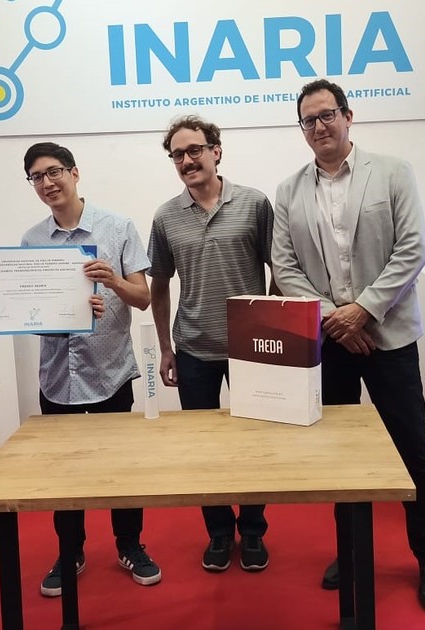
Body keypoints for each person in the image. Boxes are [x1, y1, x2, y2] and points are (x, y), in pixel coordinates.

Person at [271, 79, 425, 611]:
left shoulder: (392, 172)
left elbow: (412, 250)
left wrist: (364, 310)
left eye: (327, 115)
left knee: (411, 447)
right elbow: (285, 266)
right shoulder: (289, 191)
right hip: (331, 341)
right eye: (309, 120)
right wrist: (336, 318)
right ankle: (351, 552)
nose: (319, 126)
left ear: (348, 116)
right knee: (341, 455)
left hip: (389, 336)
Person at [18, 141, 162, 597]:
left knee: (121, 468)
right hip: (58, 377)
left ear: (74, 173)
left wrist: (111, 281)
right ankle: (70, 552)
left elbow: (143, 298)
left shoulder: (117, 227)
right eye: (37, 177)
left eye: (54, 171)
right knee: (64, 473)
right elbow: (27, 311)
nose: (47, 183)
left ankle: (130, 545)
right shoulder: (31, 241)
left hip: (109, 372)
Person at [147, 115, 275, 573]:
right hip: (194, 349)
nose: (186, 160)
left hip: (252, 349)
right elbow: (159, 285)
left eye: (195, 150)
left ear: (216, 151)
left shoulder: (254, 204)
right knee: (205, 450)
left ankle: (253, 531)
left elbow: (279, 269)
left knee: (254, 446)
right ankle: (219, 533)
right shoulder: (165, 217)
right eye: (177, 154)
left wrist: (274, 331)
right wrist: (165, 347)